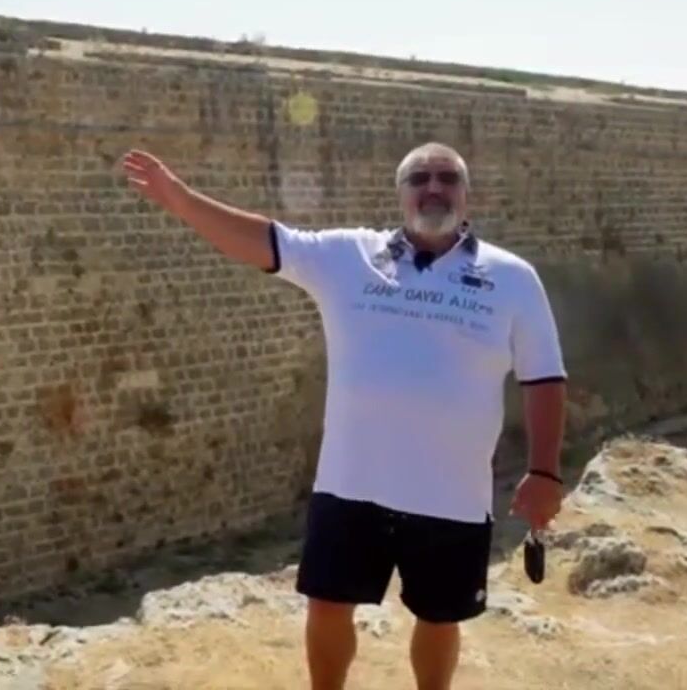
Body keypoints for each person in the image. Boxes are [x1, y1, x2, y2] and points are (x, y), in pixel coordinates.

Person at [122, 142, 567, 690]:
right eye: (419, 178)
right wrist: (181, 199)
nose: (433, 187)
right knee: (328, 604)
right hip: (351, 484)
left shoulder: (513, 278)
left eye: (447, 178)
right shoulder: (350, 256)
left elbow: (544, 377)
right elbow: (267, 241)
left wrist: (544, 472)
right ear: (400, 194)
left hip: (451, 493)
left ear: (466, 194)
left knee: (439, 616)